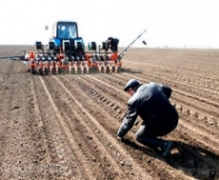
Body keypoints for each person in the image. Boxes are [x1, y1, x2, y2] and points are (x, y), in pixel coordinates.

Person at [117, 79, 179, 157]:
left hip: (164, 126)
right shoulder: (153, 85)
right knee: (149, 121)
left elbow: (129, 121)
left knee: (140, 136)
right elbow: (168, 90)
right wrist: (162, 103)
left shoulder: (134, 100)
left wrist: (120, 134)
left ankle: (164, 145)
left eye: (128, 92)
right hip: (174, 118)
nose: (129, 95)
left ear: (131, 89)